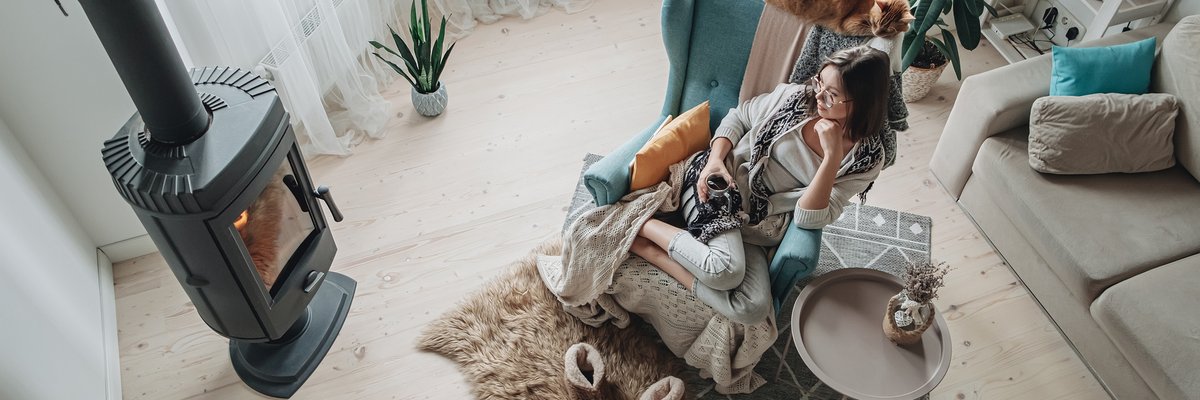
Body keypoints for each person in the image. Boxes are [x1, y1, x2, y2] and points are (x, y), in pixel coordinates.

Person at [628, 45, 891, 325]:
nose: (818, 95)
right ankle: (641, 224)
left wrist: (831, 158)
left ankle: (652, 251)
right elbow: (739, 117)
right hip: (719, 184)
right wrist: (715, 159)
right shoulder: (793, 99)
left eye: (832, 95)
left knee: (752, 308)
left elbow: (808, 217)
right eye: (819, 82)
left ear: (862, 102)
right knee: (726, 272)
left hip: (757, 224)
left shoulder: (865, 160)